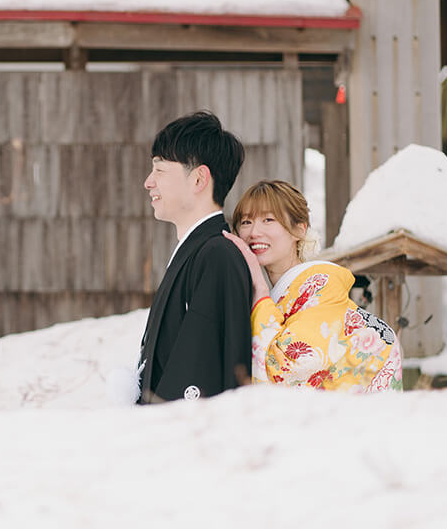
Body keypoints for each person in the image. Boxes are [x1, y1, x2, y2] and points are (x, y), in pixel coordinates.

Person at [224, 180, 402, 391]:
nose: (254, 232)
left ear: (299, 230)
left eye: (268, 219)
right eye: (245, 222)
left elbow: (286, 370)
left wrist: (261, 293)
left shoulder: (323, 288)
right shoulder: (282, 295)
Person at [135, 111, 253, 404]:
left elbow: (201, 373)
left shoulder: (217, 255)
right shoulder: (199, 251)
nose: (149, 182)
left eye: (160, 170)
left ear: (199, 178)